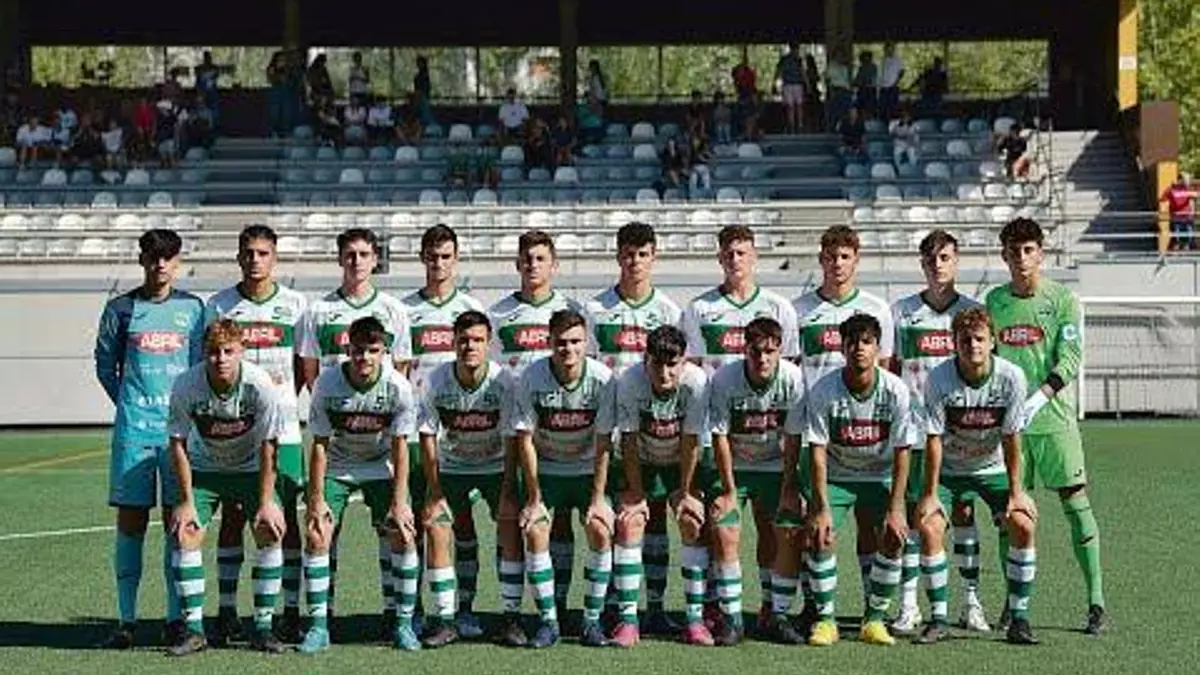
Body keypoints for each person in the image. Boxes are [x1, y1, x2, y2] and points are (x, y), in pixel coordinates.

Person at [986, 218, 1105, 635]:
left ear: (1041, 253)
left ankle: (1096, 601)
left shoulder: (1063, 300)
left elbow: (1070, 359)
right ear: (1004, 256)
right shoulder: (994, 301)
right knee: (1010, 512)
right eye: (1014, 251)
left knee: (1075, 504)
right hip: (1010, 429)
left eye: (1028, 250)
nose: (1021, 259)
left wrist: (1037, 399)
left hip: (1054, 422)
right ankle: (1012, 600)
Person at [298, 228, 413, 637]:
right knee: (320, 530)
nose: (357, 261)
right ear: (339, 258)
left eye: (364, 254)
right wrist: (345, 409)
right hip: (338, 446)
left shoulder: (394, 310)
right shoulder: (318, 311)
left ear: (375, 259)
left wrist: (370, 408)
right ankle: (319, 622)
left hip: (380, 451)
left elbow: (402, 369)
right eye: (350, 254)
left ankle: (397, 618)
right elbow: (310, 372)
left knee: (398, 529)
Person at [94, 229, 206, 650]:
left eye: (168, 257)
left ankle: (175, 620)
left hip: (178, 435)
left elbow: (199, 367)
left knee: (177, 523)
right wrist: (130, 404)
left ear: (177, 262)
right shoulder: (120, 309)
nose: (160, 264)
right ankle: (126, 621)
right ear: (141, 260)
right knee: (131, 522)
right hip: (134, 433)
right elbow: (105, 366)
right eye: (153, 257)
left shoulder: (193, 309)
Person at [203, 225, 309, 645]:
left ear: (274, 257)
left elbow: (303, 364)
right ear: (238, 257)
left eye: (263, 253)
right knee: (232, 514)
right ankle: (228, 611)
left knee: (286, 518)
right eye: (248, 252)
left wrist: (279, 404)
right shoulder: (219, 304)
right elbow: (210, 361)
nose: (255, 260)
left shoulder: (296, 305)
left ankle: (290, 610)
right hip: (234, 431)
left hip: (283, 430)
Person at [914, 307, 1040, 646]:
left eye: (980, 339)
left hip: (991, 467)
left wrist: (1016, 491)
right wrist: (930, 494)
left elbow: (1012, 437)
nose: (973, 345)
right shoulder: (939, 378)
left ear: (993, 341)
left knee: (1023, 523)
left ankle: (1019, 619)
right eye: (965, 339)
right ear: (954, 343)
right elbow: (933, 439)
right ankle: (939, 619)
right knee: (929, 527)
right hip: (950, 470)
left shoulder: (1011, 377)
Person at [163, 320, 288, 656]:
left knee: (270, 529)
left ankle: (262, 627)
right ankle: (193, 630)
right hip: (205, 469)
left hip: (249, 469)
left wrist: (266, 502)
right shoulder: (186, 384)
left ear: (241, 351)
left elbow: (269, 446)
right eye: (213, 352)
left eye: (228, 351)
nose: (220, 359)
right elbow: (177, 444)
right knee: (186, 531)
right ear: (204, 352)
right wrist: (186, 501)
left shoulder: (260, 384)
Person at [793, 224, 895, 627]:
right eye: (831, 256)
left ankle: (873, 606)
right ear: (821, 259)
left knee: (870, 525)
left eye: (845, 256)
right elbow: (791, 371)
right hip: (815, 434)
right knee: (813, 523)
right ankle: (814, 606)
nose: (837, 263)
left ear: (856, 259)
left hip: (863, 439)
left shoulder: (877, 309)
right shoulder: (799, 310)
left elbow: (885, 372)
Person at [583, 222, 682, 635]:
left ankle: (654, 605)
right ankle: (612, 605)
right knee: (612, 519)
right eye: (628, 253)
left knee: (653, 517)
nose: (635, 261)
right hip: (610, 432)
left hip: (654, 432)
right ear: (617, 256)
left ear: (654, 257)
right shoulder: (595, 309)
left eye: (642, 254)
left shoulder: (670, 311)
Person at [888, 230, 986, 635]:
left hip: (960, 434)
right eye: (930, 259)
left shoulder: (973, 312)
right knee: (916, 516)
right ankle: (909, 604)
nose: (938, 265)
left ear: (956, 260)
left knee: (963, 513)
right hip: (915, 431)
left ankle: (971, 601)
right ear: (922, 264)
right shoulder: (902, 311)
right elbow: (892, 371)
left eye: (945, 257)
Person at [799, 314, 912, 647]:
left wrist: (897, 508)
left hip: (879, 474)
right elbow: (817, 451)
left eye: (867, 342)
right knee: (820, 534)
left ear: (878, 347)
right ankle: (826, 620)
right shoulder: (824, 390)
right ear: (842, 348)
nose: (859, 348)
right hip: (837, 475)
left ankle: (874, 619)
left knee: (894, 535)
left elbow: (903, 451)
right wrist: (820, 507)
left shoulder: (895, 389)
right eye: (852, 342)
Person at [487, 229, 583, 619]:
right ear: (517, 264)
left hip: (561, 428)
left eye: (541, 258)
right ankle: (511, 611)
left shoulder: (572, 309)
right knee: (511, 518)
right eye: (526, 258)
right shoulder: (498, 313)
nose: (532, 265)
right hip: (513, 431)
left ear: (554, 265)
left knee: (558, 519)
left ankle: (557, 603)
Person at [399, 225, 488, 639]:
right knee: (422, 522)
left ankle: (463, 608)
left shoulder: (470, 308)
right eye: (432, 256)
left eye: (446, 256)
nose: (438, 263)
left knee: (463, 522)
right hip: (419, 433)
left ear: (456, 259)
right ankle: (418, 608)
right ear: (422, 258)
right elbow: (400, 371)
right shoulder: (404, 310)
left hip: (463, 434)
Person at [512, 309, 618, 649]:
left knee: (600, 528)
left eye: (575, 341)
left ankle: (591, 620)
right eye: (561, 342)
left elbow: (604, 442)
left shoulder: (603, 379)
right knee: (536, 528)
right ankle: (549, 622)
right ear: (549, 342)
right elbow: (525, 440)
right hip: (547, 469)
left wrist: (598, 499)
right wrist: (534, 498)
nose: (568, 349)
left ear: (587, 343)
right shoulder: (531, 377)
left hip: (587, 469)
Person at [417, 311, 521, 648]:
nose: (470, 347)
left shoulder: (504, 381)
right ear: (453, 343)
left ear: (489, 344)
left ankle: (511, 618)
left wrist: (508, 491)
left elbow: (512, 438)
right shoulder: (435, 380)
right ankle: (447, 619)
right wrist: (434, 492)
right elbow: (427, 435)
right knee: (437, 526)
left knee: (509, 525)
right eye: (463, 340)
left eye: (477, 340)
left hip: (495, 465)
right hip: (453, 466)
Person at [709, 317, 807, 647]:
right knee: (726, 527)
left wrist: (789, 487)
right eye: (755, 351)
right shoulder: (724, 378)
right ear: (744, 350)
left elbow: (793, 438)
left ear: (780, 351)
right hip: (736, 467)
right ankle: (732, 619)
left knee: (783, 529)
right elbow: (720, 437)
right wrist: (728, 490)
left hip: (776, 466)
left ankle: (775, 613)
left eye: (769, 351)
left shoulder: (793, 378)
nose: (762, 359)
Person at [610, 326, 710, 647]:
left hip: (680, 462)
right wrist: (636, 493)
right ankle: (628, 621)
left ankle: (694, 620)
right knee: (631, 522)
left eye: (673, 365)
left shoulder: (697, 382)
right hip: (641, 460)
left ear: (685, 361)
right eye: (657, 364)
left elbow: (691, 441)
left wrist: (686, 492)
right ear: (645, 360)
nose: (665, 373)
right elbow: (628, 440)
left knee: (692, 521)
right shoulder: (629, 382)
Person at [1159, 174, 1197, 251]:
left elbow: (1194, 197)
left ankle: (1187, 248)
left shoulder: (1188, 189)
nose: (1187, 182)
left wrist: (1192, 212)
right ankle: (1175, 250)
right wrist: (1163, 210)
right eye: (1185, 180)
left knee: (1189, 236)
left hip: (1187, 217)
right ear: (1179, 180)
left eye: (1187, 180)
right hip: (1176, 218)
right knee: (1176, 237)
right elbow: (1162, 199)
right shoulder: (1171, 189)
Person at [774, 42, 806, 134]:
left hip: (796, 84)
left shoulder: (798, 60)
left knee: (798, 105)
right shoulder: (785, 59)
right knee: (791, 106)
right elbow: (779, 71)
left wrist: (806, 83)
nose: (796, 51)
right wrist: (775, 82)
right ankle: (793, 125)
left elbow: (803, 72)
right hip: (789, 84)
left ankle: (799, 125)